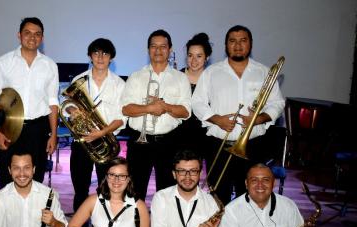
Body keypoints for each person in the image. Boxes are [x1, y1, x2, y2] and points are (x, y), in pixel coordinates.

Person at [191, 25, 285, 204]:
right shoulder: (212, 72)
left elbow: (278, 103)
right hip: (219, 145)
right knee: (218, 197)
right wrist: (217, 119)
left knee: (250, 199)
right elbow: (197, 102)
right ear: (226, 45)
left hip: (253, 146)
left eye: (243, 40)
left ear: (250, 44)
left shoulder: (263, 72)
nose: (238, 45)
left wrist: (260, 119)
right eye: (232, 41)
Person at [0, 17, 59, 188]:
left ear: (42, 38)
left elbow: (52, 102)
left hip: (38, 129)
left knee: (36, 176)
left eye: (37, 34)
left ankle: (33, 214)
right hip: (9, 128)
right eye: (27, 33)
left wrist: (54, 134)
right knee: (7, 177)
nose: (32, 37)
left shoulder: (49, 65)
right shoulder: (3, 62)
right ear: (19, 35)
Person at [121, 29, 191, 201]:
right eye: (154, 46)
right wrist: (150, 108)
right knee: (135, 190)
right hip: (140, 143)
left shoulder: (181, 78)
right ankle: (136, 226)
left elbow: (186, 111)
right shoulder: (136, 76)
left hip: (169, 142)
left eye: (163, 46)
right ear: (148, 50)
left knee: (167, 192)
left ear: (170, 49)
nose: (158, 50)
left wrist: (165, 106)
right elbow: (126, 109)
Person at [65, 38, 126, 214]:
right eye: (96, 52)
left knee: (107, 190)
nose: (100, 57)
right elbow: (67, 103)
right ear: (90, 56)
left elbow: (122, 118)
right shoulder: (79, 79)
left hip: (106, 143)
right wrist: (71, 110)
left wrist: (101, 133)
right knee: (80, 190)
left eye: (105, 53)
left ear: (111, 58)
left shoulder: (119, 84)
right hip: (82, 142)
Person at [174, 33, 213, 156]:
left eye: (199, 56)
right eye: (190, 55)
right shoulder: (176, 77)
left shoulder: (213, 80)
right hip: (176, 135)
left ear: (207, 57)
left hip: (205, 136)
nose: (194, 60)